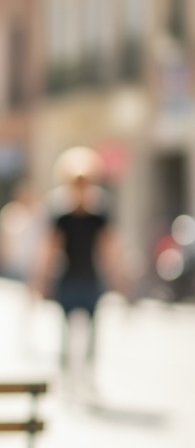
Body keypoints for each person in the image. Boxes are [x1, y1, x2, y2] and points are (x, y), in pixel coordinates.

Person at [31, 147, 129, 390]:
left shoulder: (99, 214)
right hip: (68, 278)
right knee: (65, 333)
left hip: (90, 278)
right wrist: (40, 278)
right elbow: (49, 249)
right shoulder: (60, 215)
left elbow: (108, 248)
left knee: (92, 333)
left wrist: (118, 276)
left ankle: (87, 375)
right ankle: (67, 377)